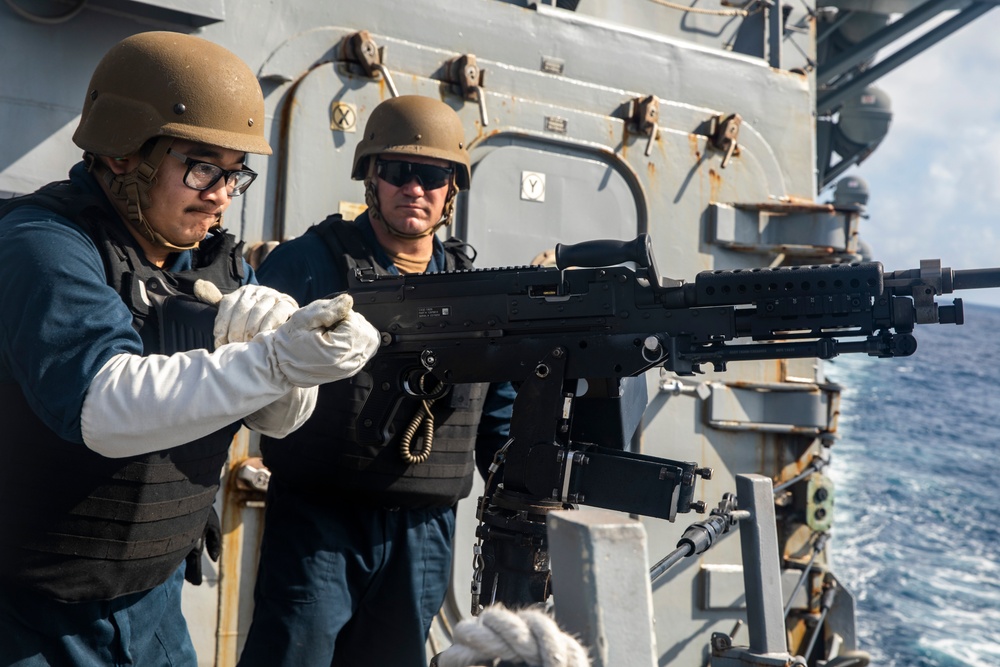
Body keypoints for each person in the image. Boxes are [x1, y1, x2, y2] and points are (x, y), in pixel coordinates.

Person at [0, 31, 379, 666]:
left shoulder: (212, 258)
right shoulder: (44, 245)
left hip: (153, 609)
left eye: (236, 174)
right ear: (124, 154)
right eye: (202, 167)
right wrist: (271, 361)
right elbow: (105, 404)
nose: (221, 195)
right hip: (33, 620)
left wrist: (299, 357)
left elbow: (275, 420)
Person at [239, 95, 515, 667]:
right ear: (371, 178)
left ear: (451, 189)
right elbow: (233, 366)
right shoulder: (309, 264)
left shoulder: (473, 288)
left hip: (424, 529)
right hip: (319, 525)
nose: (414, 188)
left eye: (432, 175)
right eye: (397, 172)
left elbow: (498, 416)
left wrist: (530, 502)